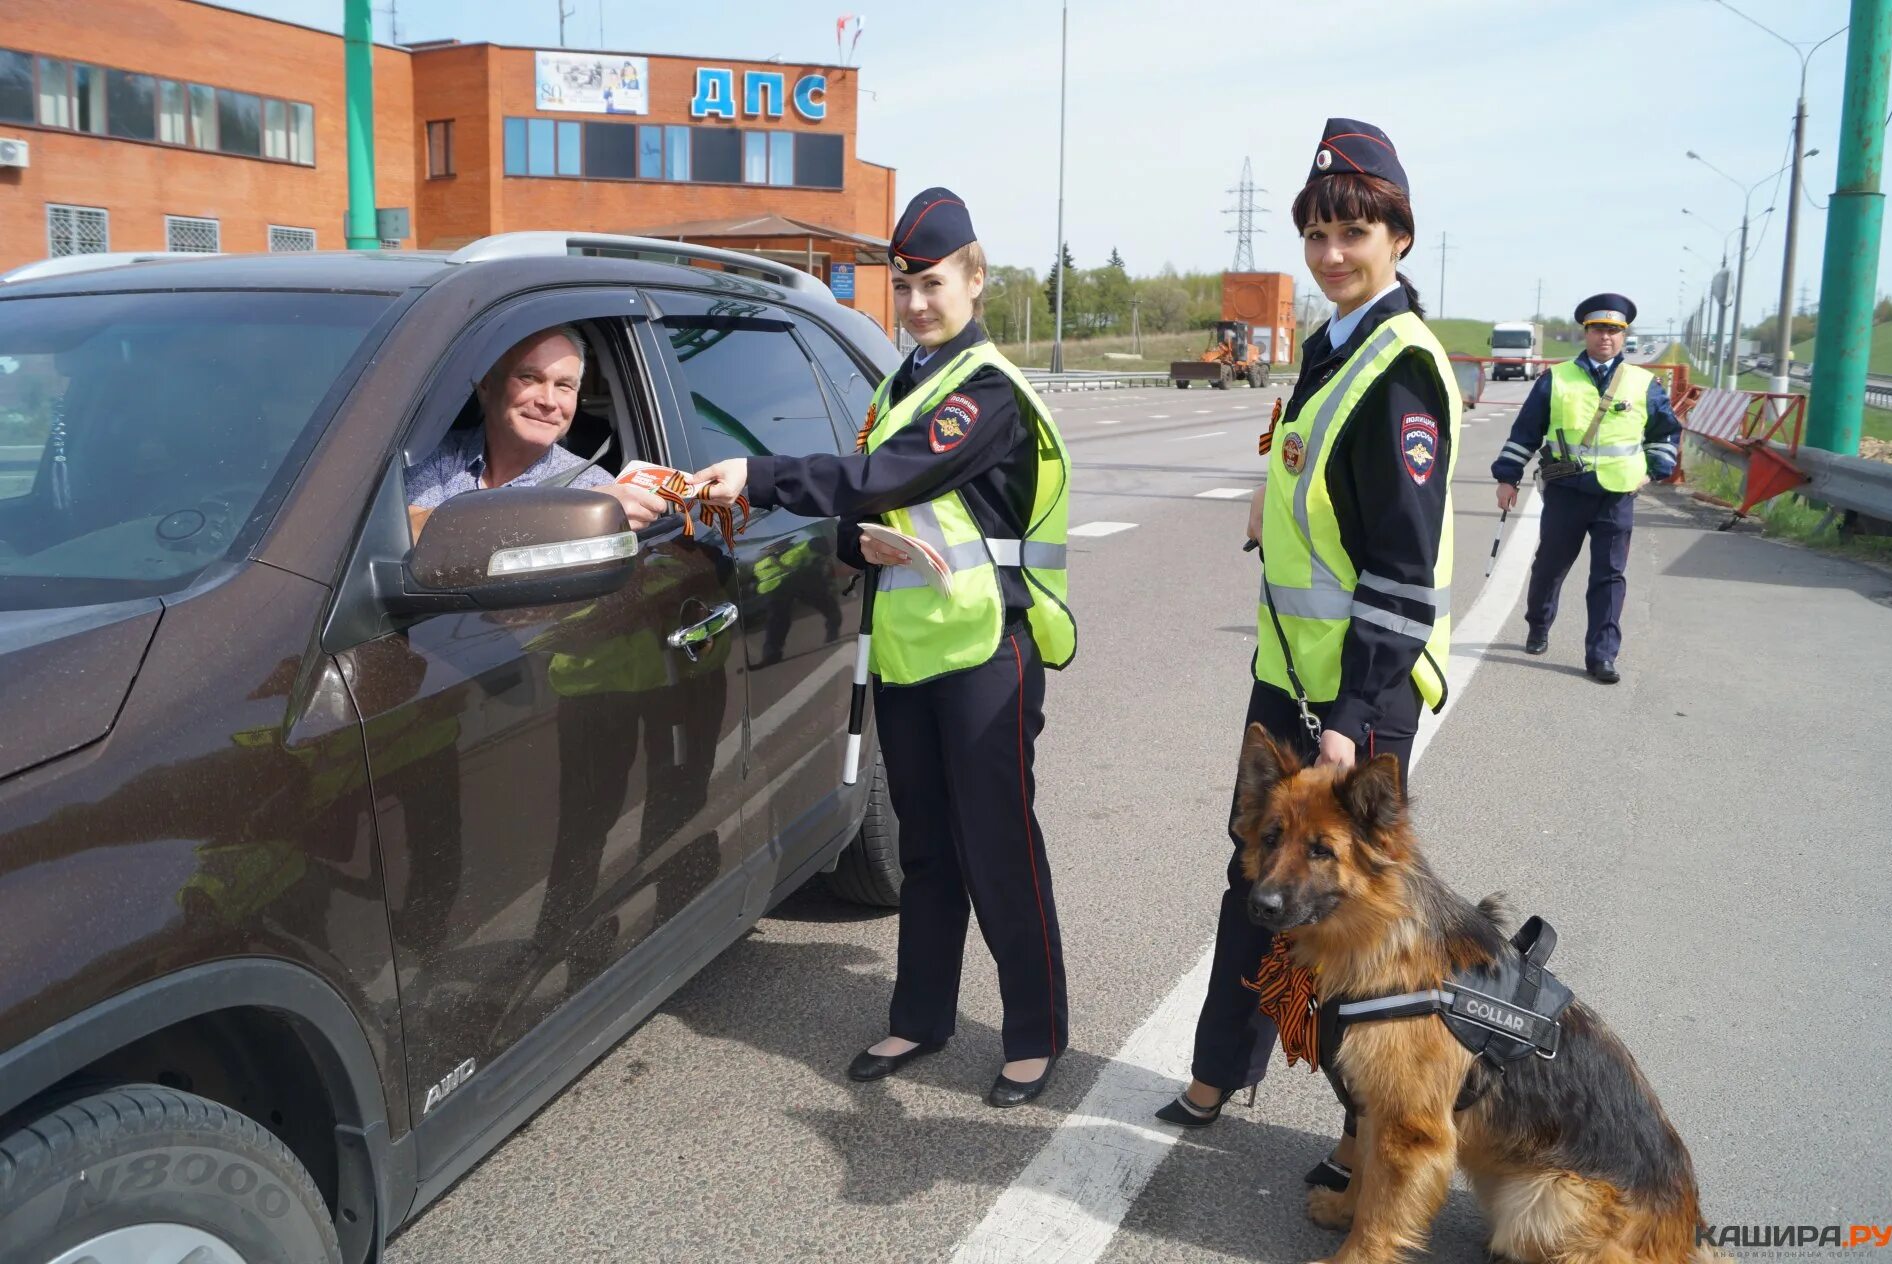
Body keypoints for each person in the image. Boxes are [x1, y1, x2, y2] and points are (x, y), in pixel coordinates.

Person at [693, 187, 1077, 1107]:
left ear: (976, 279)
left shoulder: (983, 394)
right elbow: (866, 509)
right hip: (909, 654)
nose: (914, 303)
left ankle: (1035, 1031)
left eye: (932, 283)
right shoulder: (898, 387)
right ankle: (922, 1016)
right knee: (928, 853)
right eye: (902, 286)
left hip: (988, 654)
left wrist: (760, 473)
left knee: (999, 848)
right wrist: (846, 536)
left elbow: (891, 475)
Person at [1154, 120, 1461, 1195]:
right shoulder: (1335, 348)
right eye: (1319, 231)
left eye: (1356, 229)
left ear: (1399, 236)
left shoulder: (1400, 370)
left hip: (1352, 704)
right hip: (1288, 683)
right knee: (1254, 877)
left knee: (1346, 926)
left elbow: (1400, 574)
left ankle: (1358, 1131)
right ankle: (1215, 1070)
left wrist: (1345, 717)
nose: (1333, 251)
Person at [1492, 295, 1681, 683]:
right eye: (1599, 329)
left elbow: (1665, 433)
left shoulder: (1643, 383)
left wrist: (1654, 470)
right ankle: (1539, 624)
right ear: (1587, 332)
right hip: (1566, 490)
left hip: (1617, 495)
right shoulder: (1557, 377)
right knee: (1550, 567)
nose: (1606, 337)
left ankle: (1602, 655)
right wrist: (1507, 476)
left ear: (1623, 335)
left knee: (1610, 576)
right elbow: (1526, 431)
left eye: (1614, 330)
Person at [405, 325, 666, 534]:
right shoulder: (434, 454)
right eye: (529, 378)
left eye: (564, 385)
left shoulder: (593, 488)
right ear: (486, 385)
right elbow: (411, 532)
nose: (549, 401)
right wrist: (566, 514)